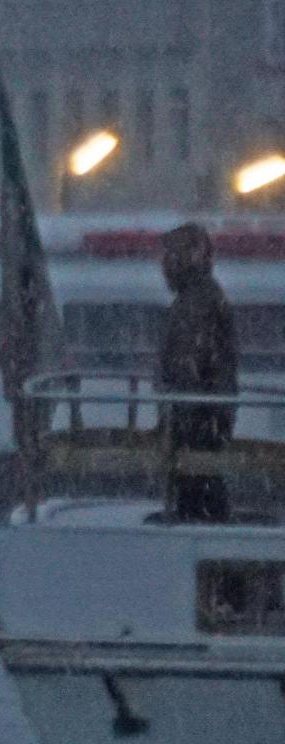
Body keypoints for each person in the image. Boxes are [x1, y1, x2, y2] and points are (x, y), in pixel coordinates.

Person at [159, 222, 237, 524]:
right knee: (204, 488)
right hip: (207, 418)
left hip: (198, 422)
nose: (163, 267)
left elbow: (187, 369)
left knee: (196, 490)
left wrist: (179, 419)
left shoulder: (195, 304)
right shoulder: (203, 298)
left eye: (169, 257)